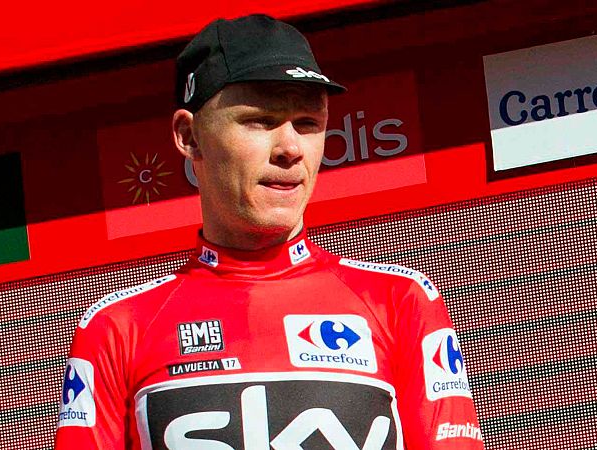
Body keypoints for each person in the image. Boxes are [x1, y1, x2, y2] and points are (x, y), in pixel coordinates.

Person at [55, 14, 484, 449]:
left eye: (308, 123)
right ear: (189, 135)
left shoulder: (400, 301)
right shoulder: (117, 327)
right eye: (260, 121)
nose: (291, 148)